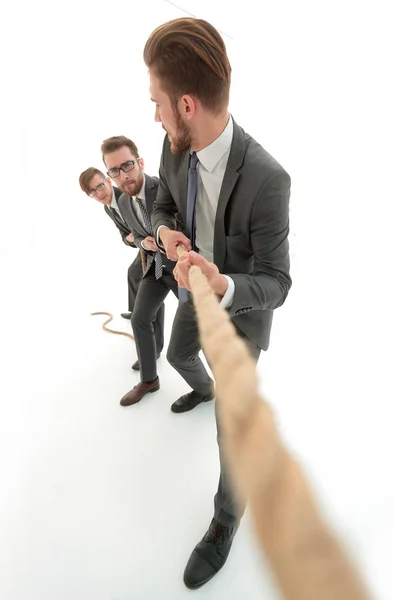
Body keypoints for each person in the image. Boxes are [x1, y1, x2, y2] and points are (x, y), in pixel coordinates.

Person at [143, 17, 292, 589]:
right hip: (190, 290)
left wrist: (226, 286)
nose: (153, 115)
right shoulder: (173, 142)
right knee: (179, 355)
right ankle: (203, 388)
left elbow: (278, 282)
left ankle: (226, 521)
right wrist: (165, 233)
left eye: (157, 102)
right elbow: (160, 201)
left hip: (239, 317)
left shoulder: (268, 178)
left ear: (185, 104)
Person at [101, 136, 179, 406]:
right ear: (110, 176)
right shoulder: (122, 202)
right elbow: (134, 232)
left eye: (127, 165)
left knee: (205, 323)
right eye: (114, 171)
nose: (123, 175)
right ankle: (150, 380)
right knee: (139, 318)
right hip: (156, 269)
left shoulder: (165, 188)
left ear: (140, 162)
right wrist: (143, 241)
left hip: (182, 268)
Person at [79, 167, 164, 370]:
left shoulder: (126, 196)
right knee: (133, 274)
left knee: (153, 287)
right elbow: (124, 234)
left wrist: (141, 238)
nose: (99, 193)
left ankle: (156, 347)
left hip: (158, 245)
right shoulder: (108, 207)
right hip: (143, 245)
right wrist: (131, 239)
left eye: (100, 185)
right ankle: (137, 311)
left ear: (108, 181)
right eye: (93, 191)